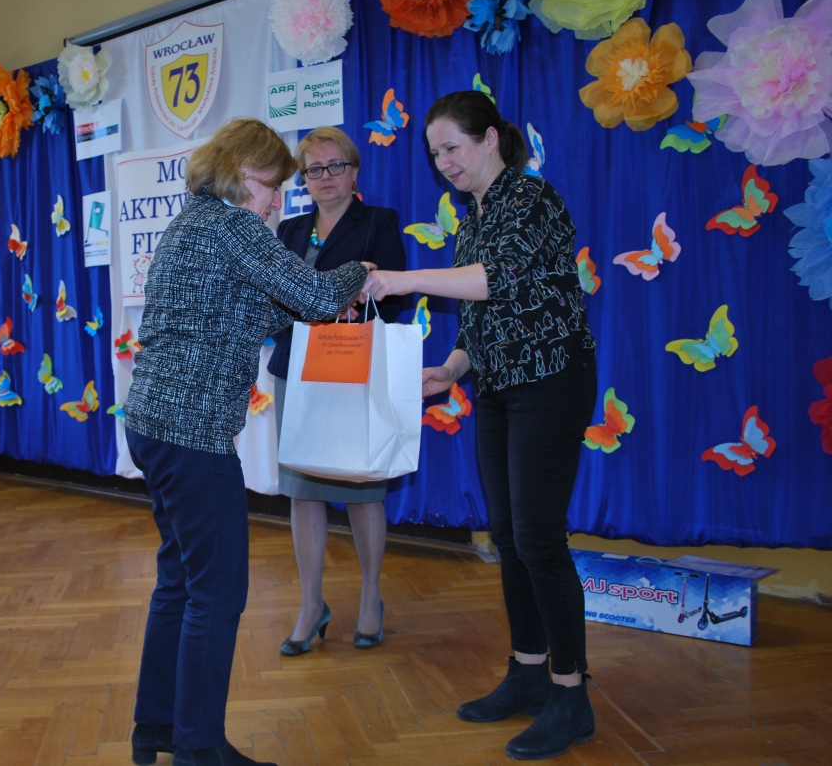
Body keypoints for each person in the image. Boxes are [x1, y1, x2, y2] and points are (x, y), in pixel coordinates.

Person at [123, 118, 370, 766]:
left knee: (180, 580)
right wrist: (362, 272)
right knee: (218, 591)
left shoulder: (191, 224)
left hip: (152, 426)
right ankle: (199, 746)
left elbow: (259, 309)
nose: (277, 201)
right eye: (271, 185)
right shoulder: (233, 228)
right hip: (193, 435)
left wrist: (322, 300)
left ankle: (157, 726)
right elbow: (315, 293)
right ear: (239, 173)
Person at [362, 91, 598, 761]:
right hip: (498, 386)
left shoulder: (530, 197)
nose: (443, 162)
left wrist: (401, 278)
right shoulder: (473, 218)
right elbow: (482, 315)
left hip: (550, 379)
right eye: (434, 153)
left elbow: (498, 278)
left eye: (452, 147)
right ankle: (528, 672)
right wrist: (452, 368)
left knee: (540, 538)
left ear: (490, 138)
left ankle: (571, 696)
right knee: (509, 536)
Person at [267, 126, 407, 655]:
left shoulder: (379, 222)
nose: (325, 177)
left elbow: (393, 297)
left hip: (353, 368)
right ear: (303, 178)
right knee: (303, 491)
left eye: (335, 166)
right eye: (314, 169)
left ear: (354, 171)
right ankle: (311, 606)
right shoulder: (289, 229)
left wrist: (345, 301)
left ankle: (371, 599)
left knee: (362, 490)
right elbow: (276, 298)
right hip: (296, 369)